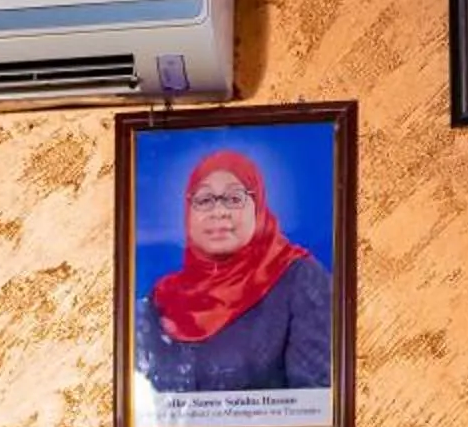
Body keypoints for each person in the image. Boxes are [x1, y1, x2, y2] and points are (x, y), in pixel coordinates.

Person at [133, 151, 332, 398]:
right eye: (204, 200)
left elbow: (315, 403)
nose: (218, 211)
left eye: (234, 198)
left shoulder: (299, 280)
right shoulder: (162, 300)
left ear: (258, 207)